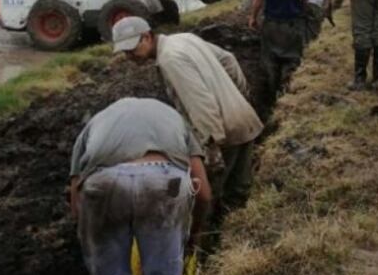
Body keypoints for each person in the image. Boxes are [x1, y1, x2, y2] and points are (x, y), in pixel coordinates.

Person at [69, 97, 211, 275]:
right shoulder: (176, 120)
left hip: (103, 183)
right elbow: (204, 195)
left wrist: (92, 231)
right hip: (166, 183)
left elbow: (76, 195)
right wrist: (193, 235)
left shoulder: (95, 123)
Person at [110, 17, 263, 215]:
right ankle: (238, 225)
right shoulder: (184, 38)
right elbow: (228, 60)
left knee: (213, 198)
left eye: (131, 49)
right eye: (125, 52)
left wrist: (211, 145)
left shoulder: (170, 59)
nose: (129, 56)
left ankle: (216, 231)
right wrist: (240, 98)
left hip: (223, 133)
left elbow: (200, 103)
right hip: (242, 119)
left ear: (147, 37)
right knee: (239, 190)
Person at [248, 0, 309, 92]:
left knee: (270, 60)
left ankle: (271, 91)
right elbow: (305, 1)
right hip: (292, 26)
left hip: (271, 25)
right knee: (291, 60)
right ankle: (285, 91)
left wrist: (253, 17)